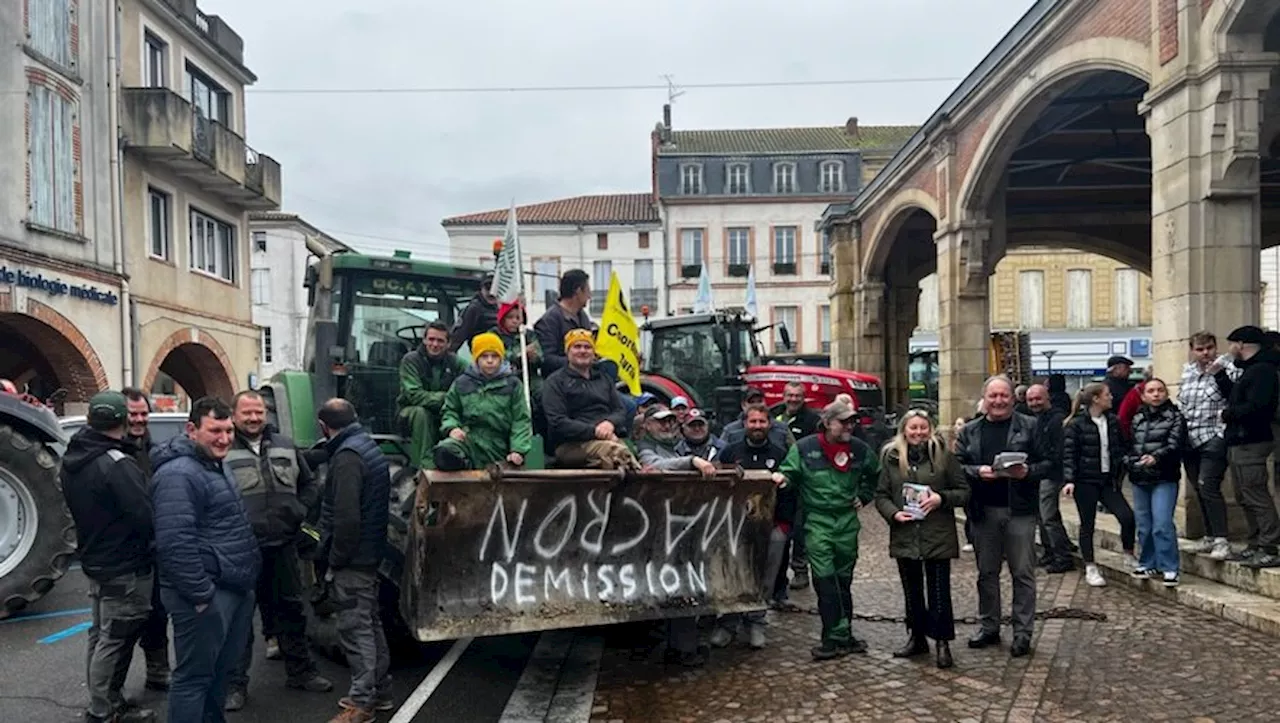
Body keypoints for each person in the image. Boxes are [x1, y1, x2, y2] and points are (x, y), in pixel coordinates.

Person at [151, 397, 261, 723]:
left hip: (232, 588)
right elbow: (174, 543)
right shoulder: (178, 475)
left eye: (228, 430)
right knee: (194, 678)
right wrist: (200, 595)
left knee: (219, 674)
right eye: (215, 430)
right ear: (191, 430)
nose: (224, 439)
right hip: (205, 595)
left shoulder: (216, 464)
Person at [223, 391, 331, 711]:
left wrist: (299, 509)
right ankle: (235, 685)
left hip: (283, 545)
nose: (254, 418)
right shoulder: (221, 448)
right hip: (242, 549)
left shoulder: (285, 444)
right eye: (247, 413)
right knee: (239, 620)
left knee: (291, 610)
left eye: (259, 412)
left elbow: (310, 484)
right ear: (233, 415)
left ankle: (301, 672)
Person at [61, 391, 158, 723]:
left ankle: (105, 700)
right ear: (123, 421)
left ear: (90, 420)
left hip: (96, 561)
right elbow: (145, 516)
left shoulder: (74, 458)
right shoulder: (117, 464)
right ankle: (103, 710)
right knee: (115, 638)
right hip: (125, 565)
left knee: (100, 633)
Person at [776, 394, 880, 661]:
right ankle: (831, 637)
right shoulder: (805, 448)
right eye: (843, 423)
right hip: (818, 521)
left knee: (843, 581)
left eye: (852, 423)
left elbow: (876, 474)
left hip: (847, 522)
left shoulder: (858, 449)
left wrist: (865, 495)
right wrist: (782, 479)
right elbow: (789, 472)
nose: (849, 427)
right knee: (825, 580)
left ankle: (844, 635)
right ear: (827, 422)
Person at [955, 376, 1049, 658]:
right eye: (993, 395)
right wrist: (976, 472)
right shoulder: (969, 431)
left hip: (1020, 509)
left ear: (1012, 398)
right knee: (987, 573)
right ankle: (989, 626)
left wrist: (1028, 471)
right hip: (984, 510)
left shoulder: (1030, 426)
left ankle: (1022, 632)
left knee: (1022, 573)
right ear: (985, 398)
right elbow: (957, 467)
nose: (998, 401)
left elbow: (1050, 463)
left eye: (1004, 396)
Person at [317, 399, 395, 723]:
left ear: (324, 426)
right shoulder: (367, 448)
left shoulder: (348, 458)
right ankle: (382, 690)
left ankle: (362, 704)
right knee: (370, 623)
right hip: (371, 554)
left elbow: (346, 519)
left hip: (353, 559)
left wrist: (334, 560)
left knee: (354, 629)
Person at [873, 408, 969, 670]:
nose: (918, 433)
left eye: (922, 427)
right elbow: (881, 495)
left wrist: (941, 499)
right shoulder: (892, 458)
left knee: (939, 592)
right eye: (913, 428)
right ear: (904, 430)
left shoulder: (944, 457)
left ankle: (942, 642)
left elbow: (963, 491)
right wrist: (893, 514)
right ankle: (916, 638)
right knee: (912, 591)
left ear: (931, 429)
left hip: (937, 533)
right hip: (905, 534)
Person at [713, 403, 791, 648]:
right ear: (745, 423)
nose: (757, 426)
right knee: (732, 572)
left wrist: (784, 527)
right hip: (734, 526)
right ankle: (729, 622)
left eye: (762, 422)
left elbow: (791, 490)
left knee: (765, 575)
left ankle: (757, 620)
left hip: (771, 527)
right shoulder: (729, 452)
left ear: (769, 424)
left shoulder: (780, 453)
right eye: (753, 421)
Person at [1063, 382, 1138, 587]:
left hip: (1108, 480)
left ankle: (1128, 553)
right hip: (1085, 481)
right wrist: (1069, 480)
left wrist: (1125, 465)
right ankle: (1090, 565)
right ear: (1096, 399)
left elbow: (1121, 447)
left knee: (1127, 516)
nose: (1111, 397)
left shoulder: (1112, 421)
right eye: (1107, 394)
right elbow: (1069, 454)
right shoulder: (1076, 424)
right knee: (1088, 523)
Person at [1217, 325, 1280, 567]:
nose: (1229, 349)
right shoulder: (1251, 371)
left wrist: (1228, 414)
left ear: (1241, 344)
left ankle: (1269, 546)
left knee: (1256, 493)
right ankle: (1254, 542)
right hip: (1240, 440)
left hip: (1252, 440)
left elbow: (1258, 407)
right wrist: (1220, 377)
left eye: (1231, 344)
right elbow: (1238, 396)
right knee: (1244, 495)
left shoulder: (1262, 370)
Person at [122, 386, 172, 689]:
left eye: (144, 414)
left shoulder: (152, 449)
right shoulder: (115, 452)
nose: (139, 420)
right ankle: (112, 689)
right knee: (125, 622)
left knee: (157, 613)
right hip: (126, 551)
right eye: (133, 414)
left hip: (155, 547)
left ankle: (158, 670)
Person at [434, 332, 533, 470]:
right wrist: (452, 428)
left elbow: (521, 420)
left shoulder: (513, 385)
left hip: (500, 446)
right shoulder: (462, 383)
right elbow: (450, 410)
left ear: (501, 358)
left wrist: (518, 450)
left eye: (495, 356)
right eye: (484, 356)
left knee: (507, 472)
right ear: (476, 359)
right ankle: (465, 471)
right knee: (445, 451)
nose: (490, 361)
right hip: (469, 441)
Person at [542, 329, 638, 469]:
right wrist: (596, 432)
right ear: (567, 352)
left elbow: (619, 409)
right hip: (570, 445)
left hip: (608, 439)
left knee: (626, 455)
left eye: (587, 347)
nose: (583, 351)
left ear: (593, 353)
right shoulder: (555, 382)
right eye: (577, 347)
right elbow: (557, 422)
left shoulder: (603, 379)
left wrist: (610, 423)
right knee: (617, 454)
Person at [1178, 330, 1237, 559]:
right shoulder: (1187, 372)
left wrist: (1222, 433)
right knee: (1198, 488)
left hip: (1214, 435)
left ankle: (1222, 539)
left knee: (1208, 485)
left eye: (1209, 348)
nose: (1205, 353)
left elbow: (1232, 397)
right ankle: (1210, 536)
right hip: (1190, 439)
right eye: (1200, 349)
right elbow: (1183, 404)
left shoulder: (1228, 369)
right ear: (1192, 350)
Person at [1125, 378, 1186, 587]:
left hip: (1164, 475)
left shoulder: (1175, 417)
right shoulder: (1138, 418)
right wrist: (1131, 461)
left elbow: (1175, 444)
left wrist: (1156, 457)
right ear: (1144, 396)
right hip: (1140, 476)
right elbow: (1131, 444)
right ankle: (1147, 561)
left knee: (1162, 523)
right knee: (1144, 524)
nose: (1156, 394)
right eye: (1151, 391)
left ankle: (1169, 566)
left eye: (1160, 390)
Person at [397, 320, 466, 469]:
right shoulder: (411, 361)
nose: (435, 344)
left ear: (448, 344)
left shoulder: (456, 363)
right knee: (422, 413)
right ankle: (424, 467)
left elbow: (472, 380)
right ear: (424, 340)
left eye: (440, 341)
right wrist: (447, 398)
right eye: (431, 339)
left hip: (445, 413)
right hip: (411, 413)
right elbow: (414, 395)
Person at [1024, 384, 1072, 573]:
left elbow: (1058, 451)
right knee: (1042, 516)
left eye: (1038, 399)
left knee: (1048, 516)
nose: (1034, 403)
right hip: (1038, 474)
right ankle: (1050, 553)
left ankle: (1062, 556)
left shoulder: (1056, 420)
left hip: (1051, 474)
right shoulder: (1035, 420)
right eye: (1031, 400)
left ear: (1047, 398)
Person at [533, 269, 592, 376]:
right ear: (578, 291)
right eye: (588, 290)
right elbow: (547, 360)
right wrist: (577, 361)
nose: (589, 296)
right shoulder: (548, 321)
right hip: (561, 384)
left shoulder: (583, 317)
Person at [722, 387, 794, 448]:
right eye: (752, 402)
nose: (756, 405)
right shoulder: (731, 430)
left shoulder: (782, 428)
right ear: (743, 405)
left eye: (759, 401)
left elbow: (795, 453)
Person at [449, 271, 499, 352]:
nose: (491, 292)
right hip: (482, 355)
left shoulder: (504, 308)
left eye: (495, 289)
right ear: (481, 289)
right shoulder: (474, 309)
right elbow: (457, 337)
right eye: (488, 288)